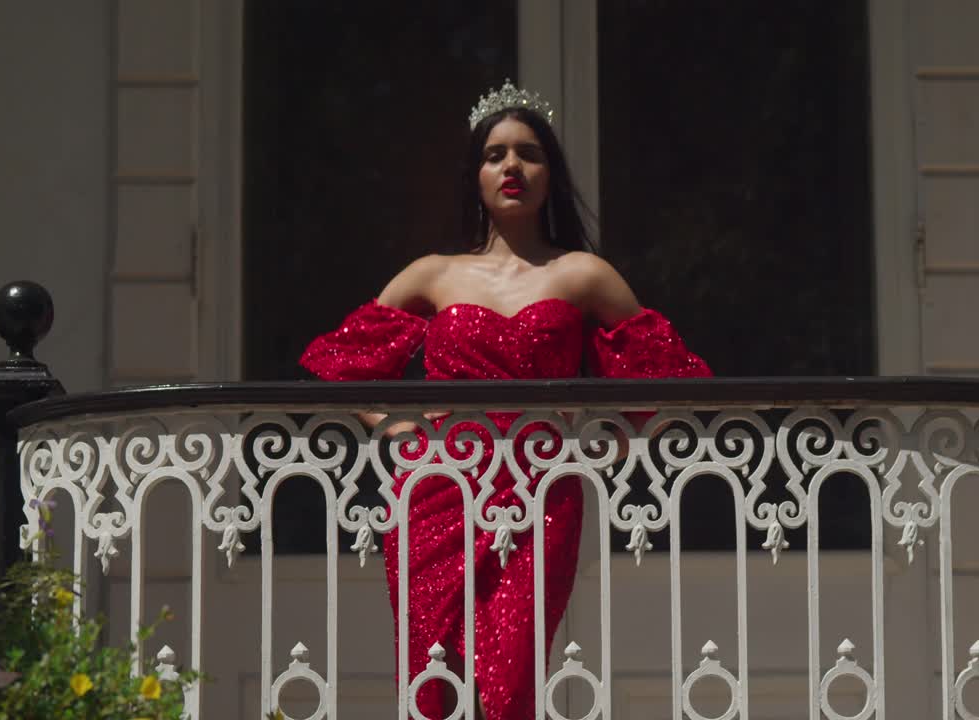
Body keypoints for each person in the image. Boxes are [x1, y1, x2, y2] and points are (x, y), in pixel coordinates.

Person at [299, 80, 711, 720]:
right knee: (432, 675)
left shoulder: (582, 274)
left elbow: (674, 379)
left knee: (508, 680)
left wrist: (606, 442)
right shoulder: (434, 272)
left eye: (528, 153)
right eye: (495, 155)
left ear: (550, 174)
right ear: (476, 176)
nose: (512, 166)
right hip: (435, 492)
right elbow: (337, 362)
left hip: (539, 492)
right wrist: (396, 427)